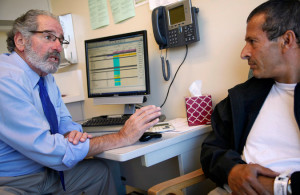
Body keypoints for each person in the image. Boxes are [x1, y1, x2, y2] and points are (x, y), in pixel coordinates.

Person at [0, 9, 161, 194]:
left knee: (99, 172)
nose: (58, 47)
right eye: (49, 37)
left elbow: (63, 121)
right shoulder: (6, 80)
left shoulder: (46, 77)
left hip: (47, 171)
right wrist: (121, 137)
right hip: (14, 182)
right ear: (20, 40)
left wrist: (71, 133)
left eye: (60, 40)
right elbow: (49, 149)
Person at [200, 0, 300, 195]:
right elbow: (211, 149)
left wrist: (283, 186)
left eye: (252, 42)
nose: (243, 53)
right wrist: (232, 170)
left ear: (286, 41)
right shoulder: (241, 97)